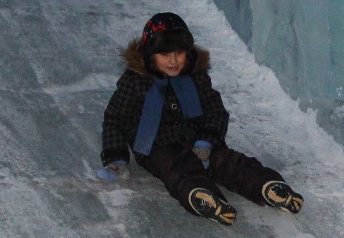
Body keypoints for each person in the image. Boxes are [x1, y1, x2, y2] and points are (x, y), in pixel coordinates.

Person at [98, 12, 303, 226]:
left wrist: (206, 139)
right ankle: (202, 196)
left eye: (179, 53)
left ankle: (268, 185)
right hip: (156, 145)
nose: (173, 60)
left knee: (227, 160)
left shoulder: (194, 77)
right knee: (178, 168)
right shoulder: (135, 82)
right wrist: (115, 156)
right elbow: (115, 118)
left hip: (196, 138)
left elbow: (215, 111)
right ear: (150, 55)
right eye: (165, 54)